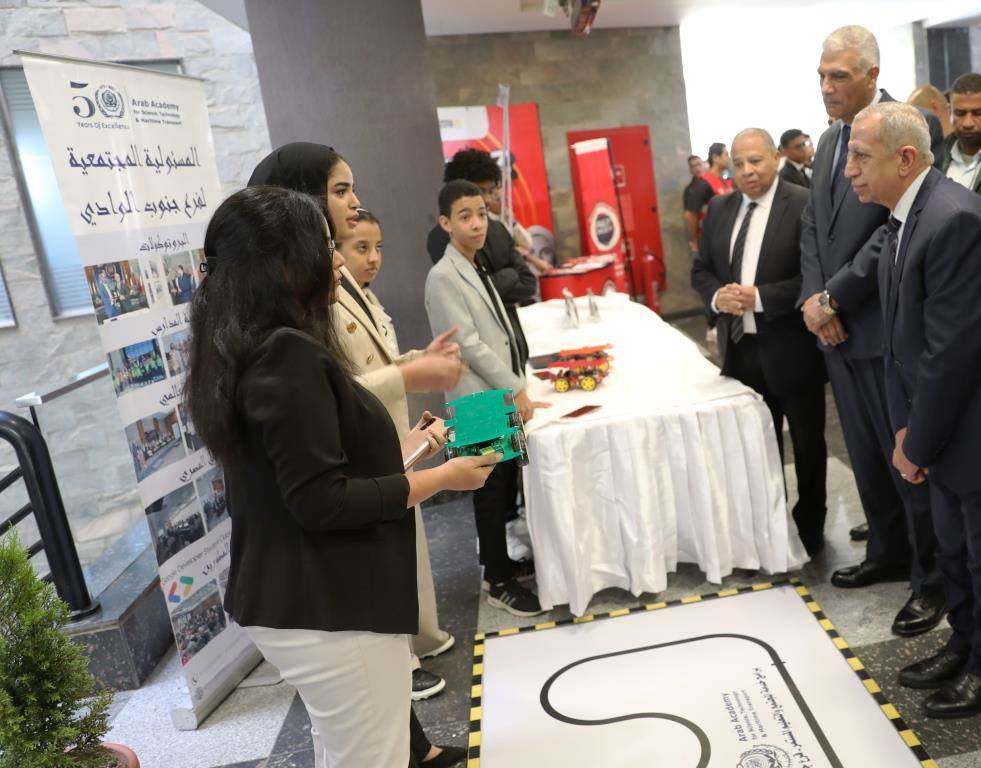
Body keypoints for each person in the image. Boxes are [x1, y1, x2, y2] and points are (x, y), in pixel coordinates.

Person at [184, 186, 488, 767]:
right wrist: (444, 478)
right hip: (328, 603)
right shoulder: (285, 355)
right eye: (327, 246)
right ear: (284, 264)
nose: (341, 263)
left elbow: (301, 470)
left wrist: (410, 449)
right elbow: (322, 500)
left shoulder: (241, 347)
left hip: (300, 598)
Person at [247, 142, 463, 705]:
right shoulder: (284, 332)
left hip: (377, 452)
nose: (354, 203)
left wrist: (410, 369)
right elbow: (326, 397)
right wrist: (412, 381)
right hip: (342, 489)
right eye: (340, 191)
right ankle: (402, 667)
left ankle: (409, 679)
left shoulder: (323, 292)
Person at [797, 25, 943, 637]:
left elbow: (893, 230)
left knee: (906, 459)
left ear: (872, 76)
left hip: (882, 323)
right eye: (822, 75)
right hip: (835, 331)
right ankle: (887, 551)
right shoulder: (832, 139)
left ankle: (932, 580)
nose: (826, 86)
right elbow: (814, 226)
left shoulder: (905, 129)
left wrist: (835, 295)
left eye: (839, 76)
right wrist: (814, 300)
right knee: (864, 456)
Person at [843, 101, 981, 718]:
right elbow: (903, 342)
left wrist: (915, 442)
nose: (849, 170)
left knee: (977, 554)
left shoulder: (953, 219)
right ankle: (965, 643)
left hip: (964, 429)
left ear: (905, 158)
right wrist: (904, 430)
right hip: (930, 427)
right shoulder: (904, 217)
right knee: (952, 551)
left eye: (860, 156)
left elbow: (949, 354)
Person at [691, 129, 827, 555]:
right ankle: (768, 525)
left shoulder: (802, 203)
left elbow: (816, 275)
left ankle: (810, 526)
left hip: (791, 348)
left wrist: (761, 297)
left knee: (807, 442)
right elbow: (701, 269)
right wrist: (718, 296)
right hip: (741, 350)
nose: (747, 171)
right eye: (738, 163)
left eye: (755, 161)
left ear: (775, 158)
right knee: (755, 444)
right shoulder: (720, 208)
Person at [425, 180, 549, 617]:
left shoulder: (474, 264)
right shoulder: (443, 276)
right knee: (488, 489)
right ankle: (497, 580)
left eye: (481, 214)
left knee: (503, 482)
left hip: (493, 394)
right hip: (476, 399)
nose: (477, 223)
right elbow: (470, 346)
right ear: (446, 223)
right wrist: (515, 387)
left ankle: (502, 565)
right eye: (465, 216)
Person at [427, 149, 536, 369]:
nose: (486, 198)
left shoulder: (497, 230)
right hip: (480, 360)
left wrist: (491, 285)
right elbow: (469, 296)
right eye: (480, 190)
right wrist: (509, 275)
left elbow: (528, 282)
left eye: (490, 190)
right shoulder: (440, 239)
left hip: (516, 348)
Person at [939, 72, 981, 194]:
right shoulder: (934, 156)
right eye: (960, 113)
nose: (968, 123)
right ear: (950, 112)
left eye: (978, 113)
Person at [683, 154, 710, 253]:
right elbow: (688, 215)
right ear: (690, 170)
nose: (697, 168)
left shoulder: (712, 182)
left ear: (704, 165)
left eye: (699, 164)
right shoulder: (689, 190)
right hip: (702, 233)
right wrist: (694, 239)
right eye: (693, 166)